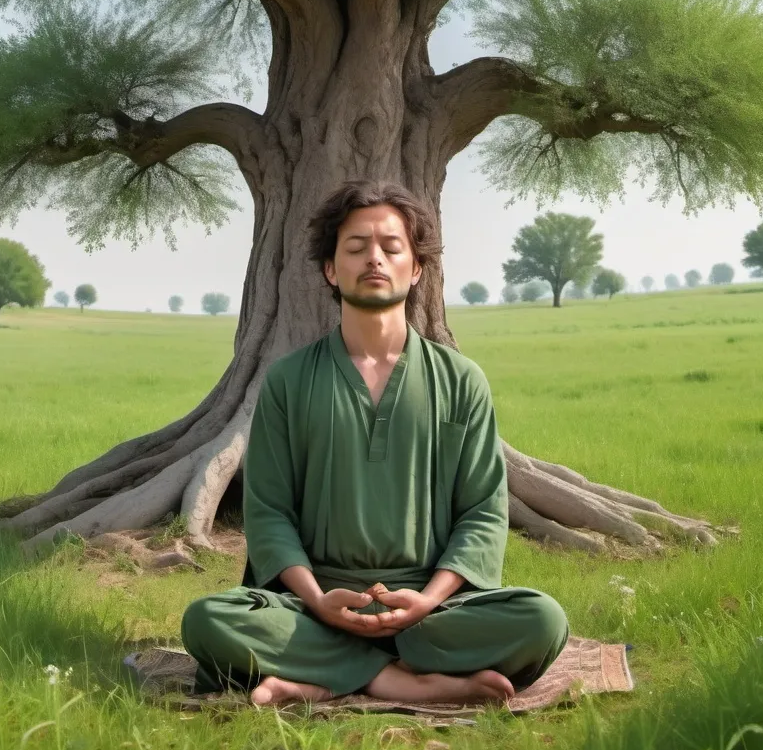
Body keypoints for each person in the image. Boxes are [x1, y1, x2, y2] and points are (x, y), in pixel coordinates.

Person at [181, 181, 568, 706]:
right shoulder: (288, 381)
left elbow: (481, 512)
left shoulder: (461, 380)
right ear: (329, 269)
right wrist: (318, 601)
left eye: (391, 247)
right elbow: (269, 512)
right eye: (356, 247)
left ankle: (322, 675)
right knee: (208, 620)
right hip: (316, 603)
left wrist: (426, 602)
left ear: (417, 269)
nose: (375, 259)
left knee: (540, 619)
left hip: (430, 612)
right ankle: (400, 680)